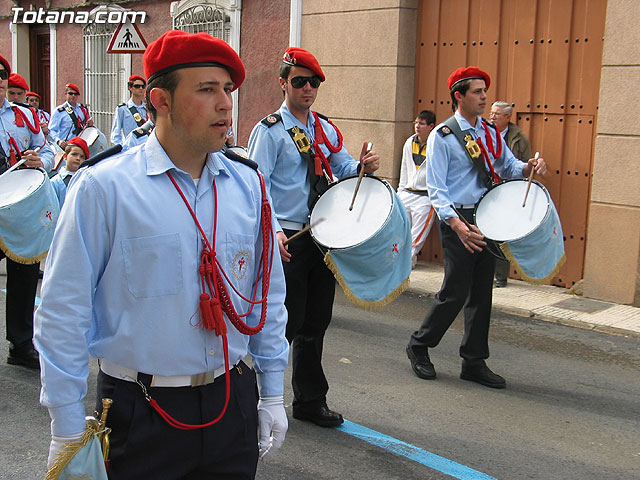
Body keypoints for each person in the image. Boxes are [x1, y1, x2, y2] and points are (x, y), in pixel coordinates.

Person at [35, 30, 289, 479]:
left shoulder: (248, 184)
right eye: (207, 89)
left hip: (232, 401)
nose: (226, 104)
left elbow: (267, 297)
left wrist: (270, 393)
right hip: (141, 411)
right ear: (161, 100)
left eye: (228, 89)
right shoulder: (105, 187)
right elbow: (62, 311)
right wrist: (67, 427)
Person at [248, 47, 380, 427]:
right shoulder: (270, 130)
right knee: (284, 322)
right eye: (299, 81)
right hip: (288, 235)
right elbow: (258, 185)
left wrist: (361, 166)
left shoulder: (322, 127)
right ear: (283, 83)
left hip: (322, 232)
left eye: (314, 82)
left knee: (315, 320)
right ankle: (259, 396)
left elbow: (340, 165)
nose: (308, 88)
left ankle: (309, 400)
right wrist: (272, 232)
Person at [405, 66, 546, 389]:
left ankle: (473, 360)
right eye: (477, 92)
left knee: (482, 292)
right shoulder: (443, 136)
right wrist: (457, 225)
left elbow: (508, 166)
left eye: (485, 91)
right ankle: (419, 345)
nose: (484, 97)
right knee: (455, 290)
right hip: (458, 220)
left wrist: (529, 166)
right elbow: (436, 190)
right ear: (459, 96)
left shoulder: (489, 131)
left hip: (486, 218)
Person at [0, 54, 54, 369]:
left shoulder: (24, 116)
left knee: (24, 274)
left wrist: (40, 160)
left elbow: (48, 149)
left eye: (2, 79)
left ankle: (21, 344)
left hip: (20, 209)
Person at [489, 101, 533, 288]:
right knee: (485, 233)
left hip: (507, 192)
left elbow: (522, 167)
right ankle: (485, 274)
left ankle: (501, 276)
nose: (492, 117)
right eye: (491, 113)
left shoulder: (519, 139)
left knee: (501, 235)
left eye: (496, 114)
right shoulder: (484, 134)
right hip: (488, 190)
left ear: (508, 117)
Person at [398, 110, 437, 269]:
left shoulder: (436, 146)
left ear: (431, 126)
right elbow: (404, 168)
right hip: (407, 192)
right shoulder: (410, 142)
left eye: (421, 123)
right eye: (416, 123)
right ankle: (408, 262)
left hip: (425, 196)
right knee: (402, 230)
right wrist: (399, 192)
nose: (417, 126)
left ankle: (404, 263)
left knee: (417, 234)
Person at [49, 82, 93, 150]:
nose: (73, 96)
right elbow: (51, 130)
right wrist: (58, 141)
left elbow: (87, 126)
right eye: (70, 93)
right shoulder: (59, 111)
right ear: (65, 94)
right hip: (65, 146)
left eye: (75, 94)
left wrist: (90, 124)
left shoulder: (82, 109)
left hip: (80, 145)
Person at [50, 136, 88, 206]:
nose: (78, 158)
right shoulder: (55, 182)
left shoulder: (86, 180)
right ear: (65, 156)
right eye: (74, 154)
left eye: (82, 157)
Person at [110, 74, 147, 145]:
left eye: (143, 86)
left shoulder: (148, 109)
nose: (140, 88)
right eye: (137, 86)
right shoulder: (123, 109)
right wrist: (122, 148)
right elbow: (115, 134)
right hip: (130, 148)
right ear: (130, 87)